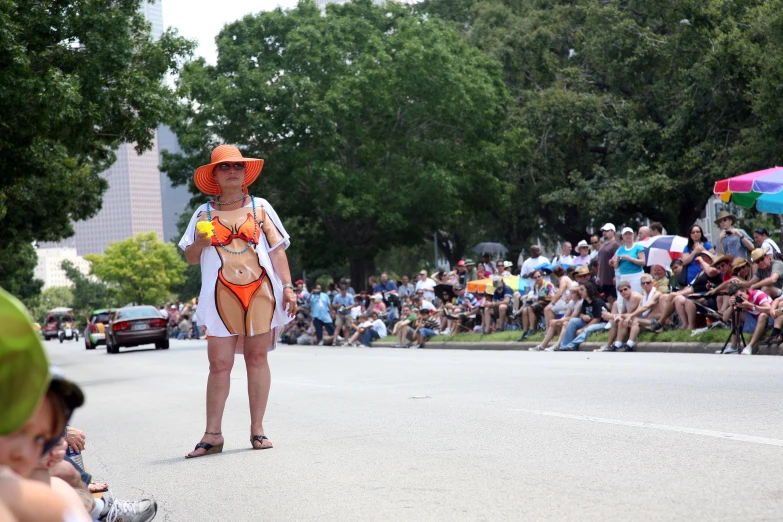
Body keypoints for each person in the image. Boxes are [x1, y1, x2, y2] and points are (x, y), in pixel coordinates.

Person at [180, 145, 297, 457]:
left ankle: (257, 430)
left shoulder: (260, 208)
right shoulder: (203, 214)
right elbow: (190, 258)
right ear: (214, 174)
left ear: (245, 173)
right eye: (225, 167)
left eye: (237, 166)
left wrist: (288, 287)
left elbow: (277, 250)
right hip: (221, 293)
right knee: (219, 364)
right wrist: (201, 242)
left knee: (256, 359)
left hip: (260, 292)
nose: (232, 171)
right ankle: (212, 434)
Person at [720, 285, 772, 355]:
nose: (741, 298)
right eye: (737, 297)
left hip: (770, 319)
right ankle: (733, 346)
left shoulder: (757, 294)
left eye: (741, 295)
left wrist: (750, 305)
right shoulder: (739, 301)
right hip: (755, 319)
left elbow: (769, 309)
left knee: (762, 315)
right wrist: (731, 306)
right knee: (736, 314)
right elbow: (725, 318)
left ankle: (750, 346)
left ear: (745, 290)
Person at [555, 282, 608, 351]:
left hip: (602, 323)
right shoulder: (585, 301)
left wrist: (582, 329)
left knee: (589, 328)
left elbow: (597, 319)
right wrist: (583, 316)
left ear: (588, 290)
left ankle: (571, 345)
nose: (580, 292)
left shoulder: (597, 302)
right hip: (589, 322)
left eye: (582, 290)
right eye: (579, 290)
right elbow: (581, 313)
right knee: (573, 321)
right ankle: (563, 346)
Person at [516, 270, 554, 339]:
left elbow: (551, 298)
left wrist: (537, 298)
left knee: (531, 307)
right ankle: (525, 332)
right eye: (535, 277)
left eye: (539, 276)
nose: (537, 279)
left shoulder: (548, 285)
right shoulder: (535, 286)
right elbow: (535, 298)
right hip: (538, 305)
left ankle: (532, 329)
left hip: (548, 304)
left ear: (542, 277)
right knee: (525, 310)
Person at [612, 227, 646, 294]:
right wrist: (618, 260)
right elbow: (615, 266)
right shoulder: (620, 249)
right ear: (623, 236)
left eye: (630, 234)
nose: (628, 236)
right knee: (624, 296)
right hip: (624, 276)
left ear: (633, 235)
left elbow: (643, 262)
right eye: (626, 234)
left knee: (636, 294)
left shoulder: (638, 247)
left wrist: (630, 258)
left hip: (635, 275)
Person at [596, 224, 621, 304]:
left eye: (606, 231)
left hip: (611, 277)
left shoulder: (615, 245)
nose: (604, 233)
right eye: (603, 231)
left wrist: (615, 275)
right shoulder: (603, 245)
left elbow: (617, 260)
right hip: (604, 277)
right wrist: (598, 276)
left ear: (612, 231)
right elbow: (600, 262)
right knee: (608, 298)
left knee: (613, 298)